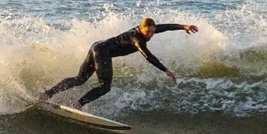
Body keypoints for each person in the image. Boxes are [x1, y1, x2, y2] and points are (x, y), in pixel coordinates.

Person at [39, 17, 199, 110]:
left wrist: (183, 26)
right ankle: (77, 104)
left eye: (152, 32)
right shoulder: (138, 39)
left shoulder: (144, 30)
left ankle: (48, 93)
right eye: (147, 32)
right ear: (141, 29)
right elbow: (148, 56)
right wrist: (165, 70)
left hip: (97, 46)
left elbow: (164, 27)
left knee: (80, 79)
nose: (150, 35)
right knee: (105, 87)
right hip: (102, 52)